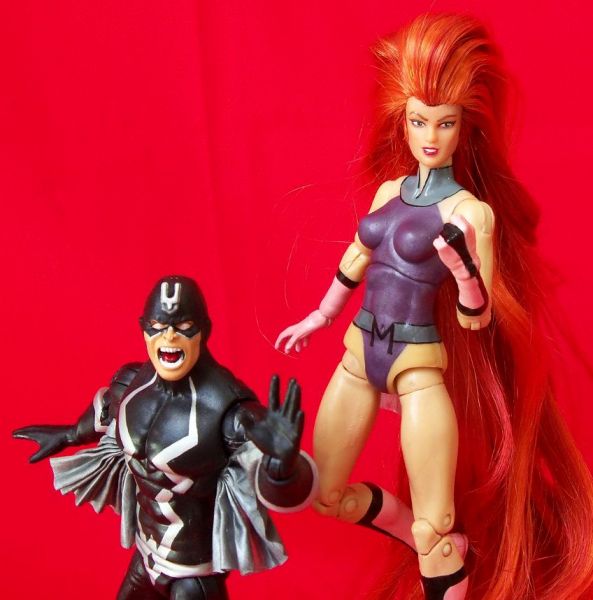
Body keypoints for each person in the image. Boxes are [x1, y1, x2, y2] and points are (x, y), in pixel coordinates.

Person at [276, 13, 593, 600]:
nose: (430, 136)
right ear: (403, 119)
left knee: (436, 525)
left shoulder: (470, 213)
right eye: (419, 120)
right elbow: (355, 259)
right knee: (326, 495)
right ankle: (415, 537)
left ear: (463, 127)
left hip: (417, 366)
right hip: (357, 352)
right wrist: (319, 316)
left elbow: (477, 315)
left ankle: (438, 555)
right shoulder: (388, 192)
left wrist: (463, 269)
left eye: (444, 123)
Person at [15, 275, 316, 600]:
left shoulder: (228, 410)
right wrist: (70, 434)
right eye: (158, 326)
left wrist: (282, 467)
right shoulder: (132, 383)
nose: (169, 337)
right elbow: (106, 413)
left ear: (204, 330)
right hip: (146, 554)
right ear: (144, 329)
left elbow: (275, 489)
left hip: (193, 572)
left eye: (183, 327)